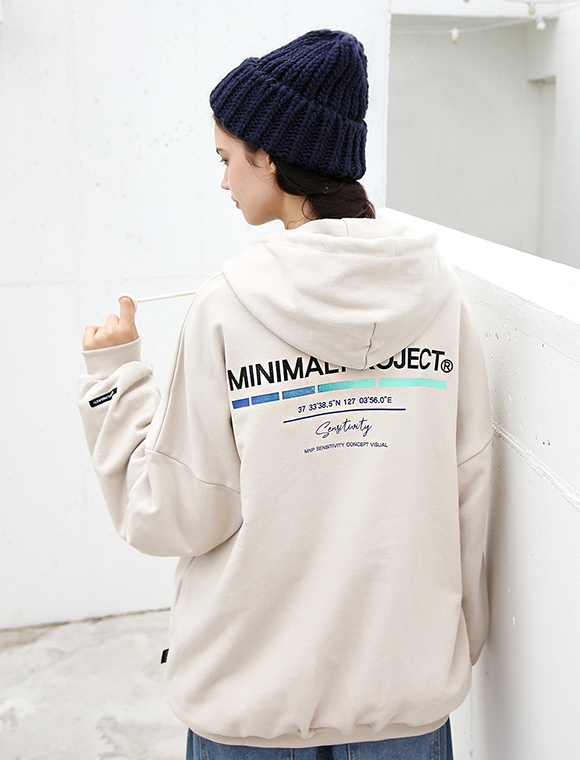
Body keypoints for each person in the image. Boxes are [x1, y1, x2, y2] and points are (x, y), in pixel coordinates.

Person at [79, 30, 491, 760]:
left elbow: (172, 511)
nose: (223, 181)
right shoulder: (441, 299)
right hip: (404, 702)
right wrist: (440, 657)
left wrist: (115, 380)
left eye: (226, 159)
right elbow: (467, 493)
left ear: (268, 156)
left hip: (253, 706)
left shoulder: (228, 306)